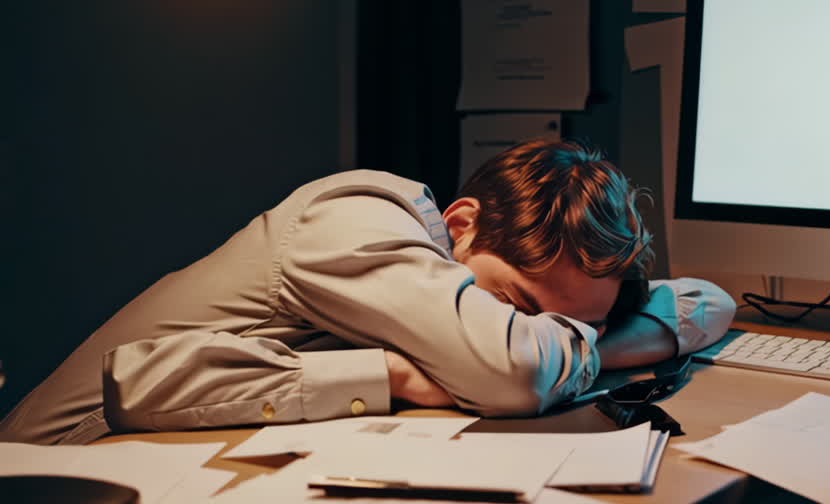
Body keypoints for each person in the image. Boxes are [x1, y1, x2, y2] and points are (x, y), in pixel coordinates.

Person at [0, 140, 735, 445]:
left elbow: (708, 301)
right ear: (462, 225)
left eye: (577, 325)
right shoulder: (357, 216)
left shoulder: (477, 272)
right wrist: (607, 352)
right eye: (517, 307)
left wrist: (601, 338)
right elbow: (513, 370)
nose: (544, 335)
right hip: (66, 478)